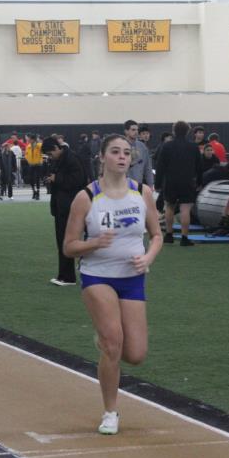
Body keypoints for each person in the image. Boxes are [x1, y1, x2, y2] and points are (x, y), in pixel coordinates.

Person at [63, 134, 163, 435]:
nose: (122, 157)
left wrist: (148, 257)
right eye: (115, 152)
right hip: (98, 275)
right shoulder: (86, 197)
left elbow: (157, 235)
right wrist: (93, 243)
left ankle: (106, 337)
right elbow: (69, 246)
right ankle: (110, 412)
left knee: (136, 354)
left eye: (126, 153)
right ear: (102, 157)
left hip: (132, 278)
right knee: (113, 345)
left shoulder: (142, 192)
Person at [43, 136, 87, 285]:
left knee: (66, 241)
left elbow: (79, 181)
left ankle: (68, 277)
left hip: (70, 207)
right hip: (61, 206)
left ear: (56, 148)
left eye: (50, 154)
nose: (50, 157)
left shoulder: (72, 159)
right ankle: (64, 275)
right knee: (62, 241)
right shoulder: (60, 159)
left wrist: (57, 178)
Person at [155, 120, 203, 246]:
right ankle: (184, 238)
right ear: (188, 132)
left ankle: (169, 235)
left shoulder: (167, 146)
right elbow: (199, 167)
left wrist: (157, 183)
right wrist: (199, 182)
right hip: (187, 181)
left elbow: (160, 166)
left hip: (170, 181)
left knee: (169, 207)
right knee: (185, 209)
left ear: (173, 131)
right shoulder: (193, 147)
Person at [123, 120, 154, 190]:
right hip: (123, 185)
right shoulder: (121, 146)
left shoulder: (142, 147)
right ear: (126, 131)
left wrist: (150, 185)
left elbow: (148, 168)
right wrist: (131, 162)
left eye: (137, 130)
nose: (136, 132)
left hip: (138, 184)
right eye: (133, 130)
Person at [23, 134, 43, 200]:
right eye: (29, 139)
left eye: (30, 139)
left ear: (33, 139)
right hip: (31, 165)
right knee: (31, 179)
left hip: (38, 165)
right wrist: (28, 160)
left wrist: (40, 160)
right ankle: (34, 191)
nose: (29, 140)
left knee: (37, 179)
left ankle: (38, 192)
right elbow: (26, 154)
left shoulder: (39, 145)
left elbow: (43, 150)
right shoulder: (28, 146)